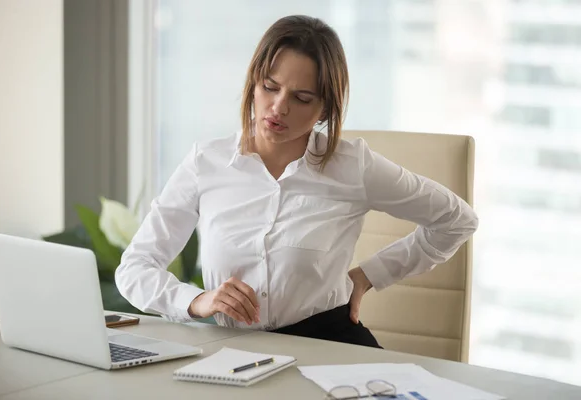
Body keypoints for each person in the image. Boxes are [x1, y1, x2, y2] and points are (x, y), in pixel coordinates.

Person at [115, 15, 478, 349]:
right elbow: (135, 268)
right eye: (269, 87)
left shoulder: (355, 167)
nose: (278, 108)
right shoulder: (205, 163)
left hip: (328, 345)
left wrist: (370, 274)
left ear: (325, 109)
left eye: (302, 98)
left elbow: (457, 219)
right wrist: (195, 300)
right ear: (253, 83)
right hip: (229, 351)